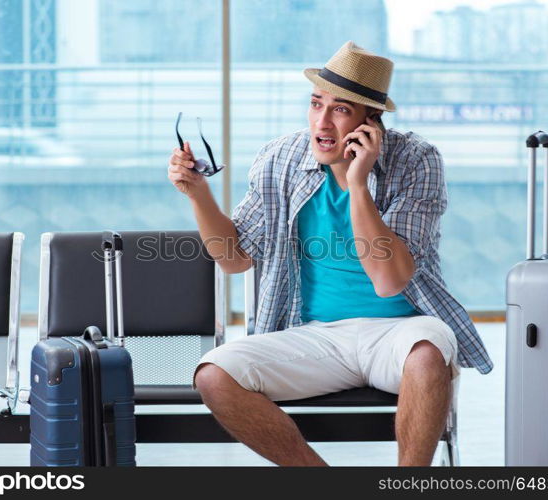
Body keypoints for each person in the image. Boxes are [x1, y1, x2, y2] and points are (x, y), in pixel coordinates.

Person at [167, 41, 492, 466]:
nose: (321, 122)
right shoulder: (280, 158)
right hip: (315, 334)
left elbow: (389, 279)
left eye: (340, 110)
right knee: (214, 374)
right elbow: (234, 258)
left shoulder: (416, 161)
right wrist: (199, 196)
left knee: (429, 357)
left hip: (400, 331)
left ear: (370, 122)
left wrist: (357, 183)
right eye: (316, 103)